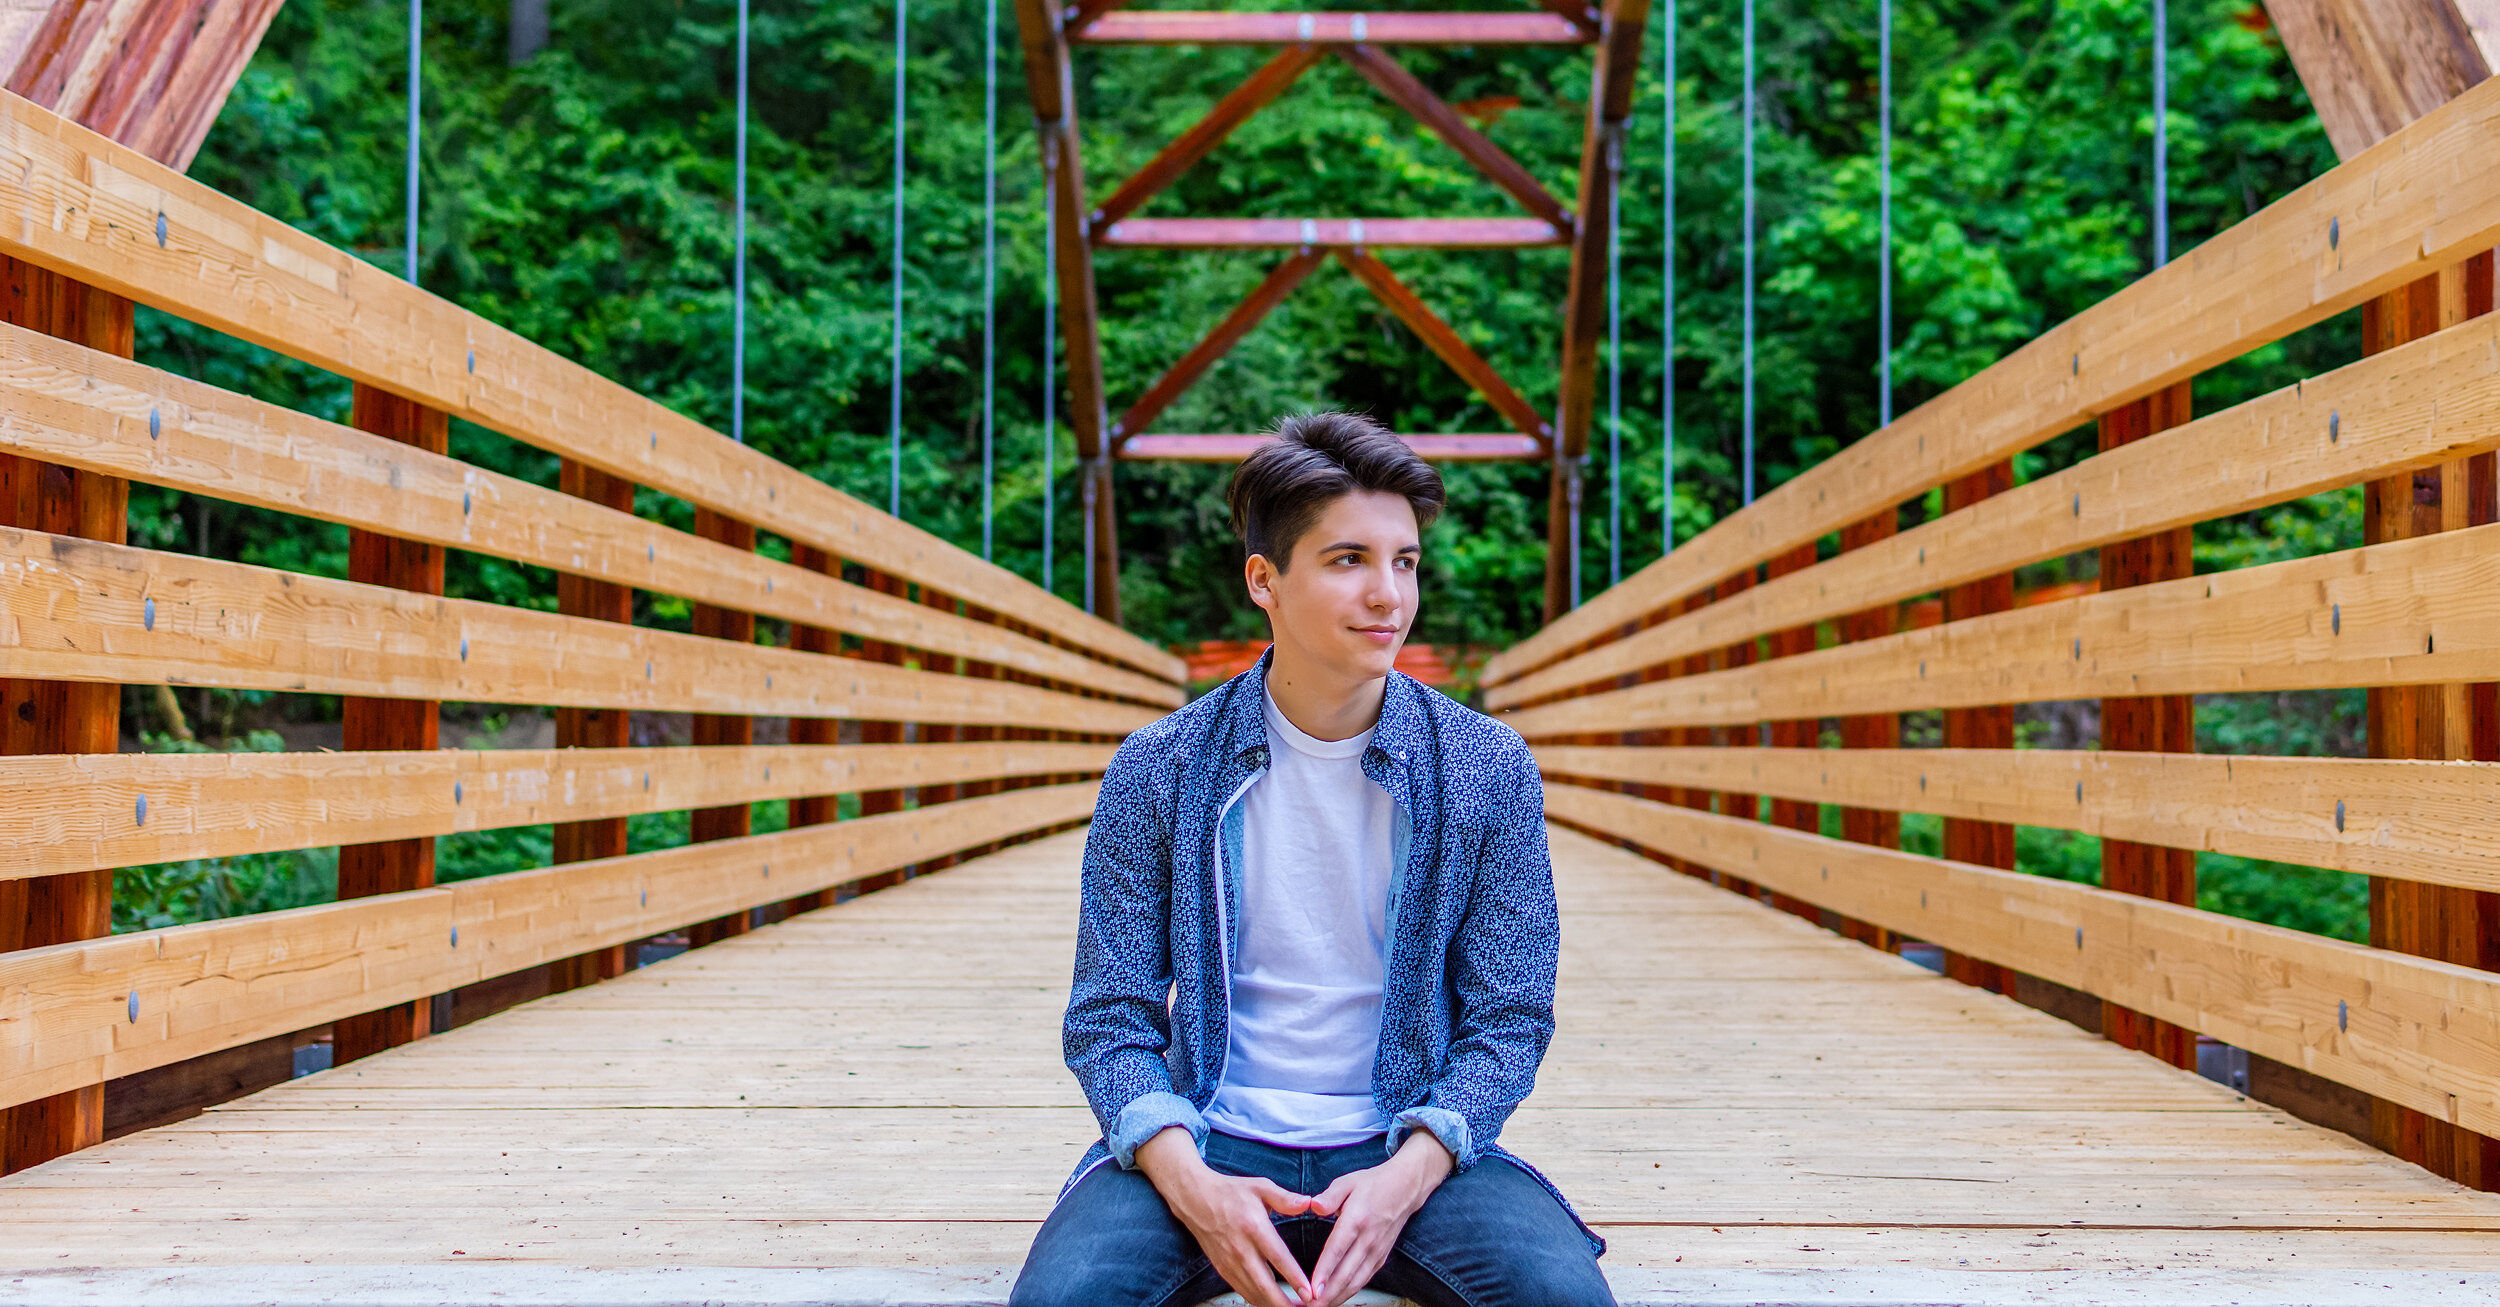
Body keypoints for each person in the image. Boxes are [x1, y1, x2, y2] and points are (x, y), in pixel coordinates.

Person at [1010, 413, 1611, 1307]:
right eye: (1348, 561)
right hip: (1207, 1133)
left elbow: (1510, 1019)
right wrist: (1192, 1184)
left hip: (1409, 1141)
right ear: (1265, 580)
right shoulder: (1161, 766)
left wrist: (1409, 1173)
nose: (1390, 596)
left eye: (1404, 561)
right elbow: (1109, 1017)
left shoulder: (1487, 767)